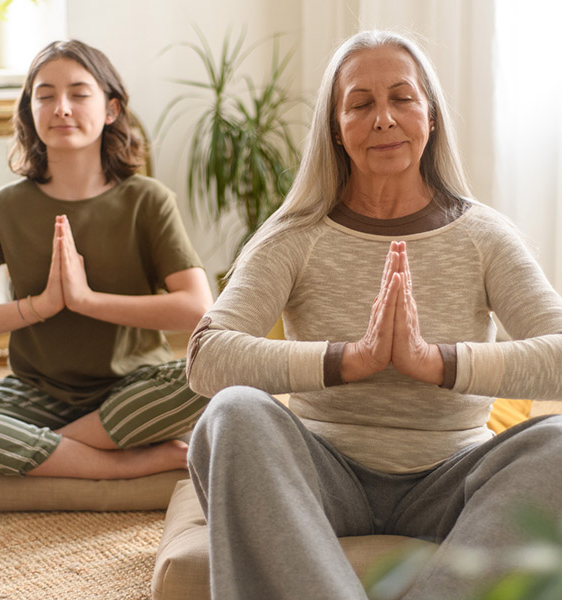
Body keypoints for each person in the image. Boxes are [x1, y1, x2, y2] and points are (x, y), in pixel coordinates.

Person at [186, 29, 562, 600]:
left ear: (429, 117)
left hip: (450, 480)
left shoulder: (484, 235)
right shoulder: (296, 235)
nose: (383, 118)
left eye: (402, 98)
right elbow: (205, 358)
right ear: (337, 130)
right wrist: (346, 360)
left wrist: (440, 363)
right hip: (323, 475)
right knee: (232, 413)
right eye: (360, 104)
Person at [0, 40, 213, 480]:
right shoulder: (1, 208)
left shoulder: (147, 200)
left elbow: (197, 310)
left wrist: (85, 300)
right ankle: (109, 462)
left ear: (111, 109)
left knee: (217, 373)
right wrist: (39, 307)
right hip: (37, 394)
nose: (61, 108)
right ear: (29, 112)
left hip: (138, 390)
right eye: (45, 96)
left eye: (79, 93)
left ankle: (44, 448)